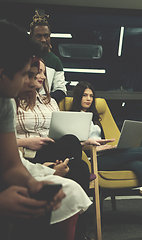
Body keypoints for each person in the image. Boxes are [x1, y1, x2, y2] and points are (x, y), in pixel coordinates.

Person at [70, 81, 142, 224]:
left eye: (91, 96)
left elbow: (98, 139)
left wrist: (110, 146)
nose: (88, 99)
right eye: (85, 95)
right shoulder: (73, 118)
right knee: (141, 152)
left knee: (139, 165)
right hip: (90, 159)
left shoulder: (94, 117)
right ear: (78, 96)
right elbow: (73, 145)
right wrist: (97, 148)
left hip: (105, 155)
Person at [0, 19, 65, 239]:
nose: (27, 84)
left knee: (35, 207)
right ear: (3, 73)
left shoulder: (4, 102)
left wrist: (33, 184)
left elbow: (10, 165)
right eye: (24, 75)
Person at [15, 57, 92, 240]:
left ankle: (61, 167)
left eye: (41, 73)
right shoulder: (12, 102)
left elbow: (57, 130)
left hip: (51, 147)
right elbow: (7, 140)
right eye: (32, 74)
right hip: (30, 151)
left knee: (72, 140)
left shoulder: (49, 101)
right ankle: (78, 232)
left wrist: (86, 142)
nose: (38, 78)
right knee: (80, 168)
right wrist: (27, 142)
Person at [29, 10, 66, 103]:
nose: (43, 39)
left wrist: (41, 98)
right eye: (38, 36)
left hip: (45, 106)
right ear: (31, 37)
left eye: (46, 35)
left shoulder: (55, 61)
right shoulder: (22, 57)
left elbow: (61, 90)